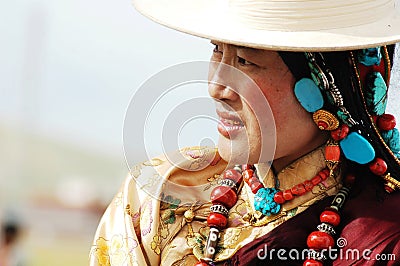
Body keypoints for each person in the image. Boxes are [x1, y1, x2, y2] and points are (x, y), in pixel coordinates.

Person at [90, 0, 400, 265]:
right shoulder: (159, 195)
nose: (217, 88)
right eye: (217, 51)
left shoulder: (383, 238)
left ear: (329, 90)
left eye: (245, 62)